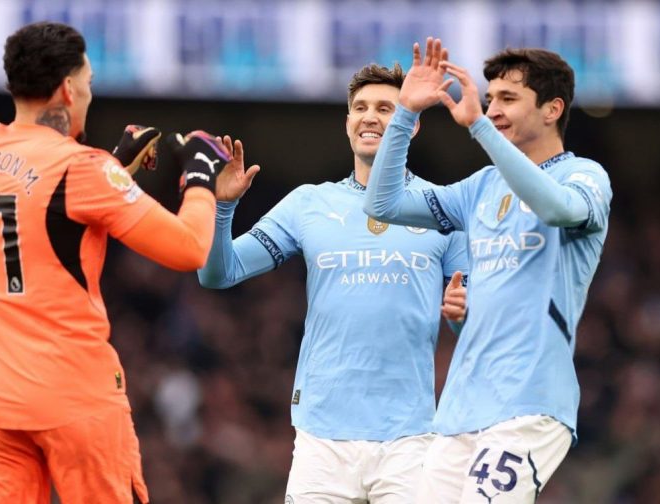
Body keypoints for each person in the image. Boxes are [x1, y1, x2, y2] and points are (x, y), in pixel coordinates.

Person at [0, 21, 230, 503]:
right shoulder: (81, 168)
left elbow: (41, 217)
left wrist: (114, 170)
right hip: (72, 397)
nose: (89, 94)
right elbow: (189, 248)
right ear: (67, 88)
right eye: (89, 82)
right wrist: (200, 175)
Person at [197, 63, 469, 503]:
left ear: (411, 123)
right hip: (322, 438)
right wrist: (222, 208)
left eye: (385, 108)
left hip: (409, 438)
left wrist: (460, 315)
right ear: (347, 123)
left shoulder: (441, 208)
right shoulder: (309, 204)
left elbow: (468, 320)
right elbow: (218, 274)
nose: (370, 117)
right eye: (360, 108)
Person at [365, 38, 613, 502]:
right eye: (491, 97)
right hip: (461, 409)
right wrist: (405, 113)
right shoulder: (480, 188)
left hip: (530, 405)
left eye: (508, 98)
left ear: (553, 108)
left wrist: (479, 126)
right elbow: (383, 203)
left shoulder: (584, 176)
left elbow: (558, 209)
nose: (493, 108)